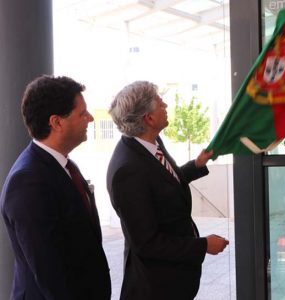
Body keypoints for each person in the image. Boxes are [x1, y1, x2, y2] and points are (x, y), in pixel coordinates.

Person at [106, 81, 229, 300]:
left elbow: (162, 183)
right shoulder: (127, 171)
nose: (165, 105)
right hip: (156, 287)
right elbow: (147, 243)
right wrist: (203, 245)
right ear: (149, 118)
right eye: (160, 102)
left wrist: (196, 165)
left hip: (174, 280)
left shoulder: (150, 143)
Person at [0, 75, 111, 300]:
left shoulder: (63, 165)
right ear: (57, 122)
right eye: (82, 113)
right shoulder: (28, 181)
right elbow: (51, 274)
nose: (90, 118)